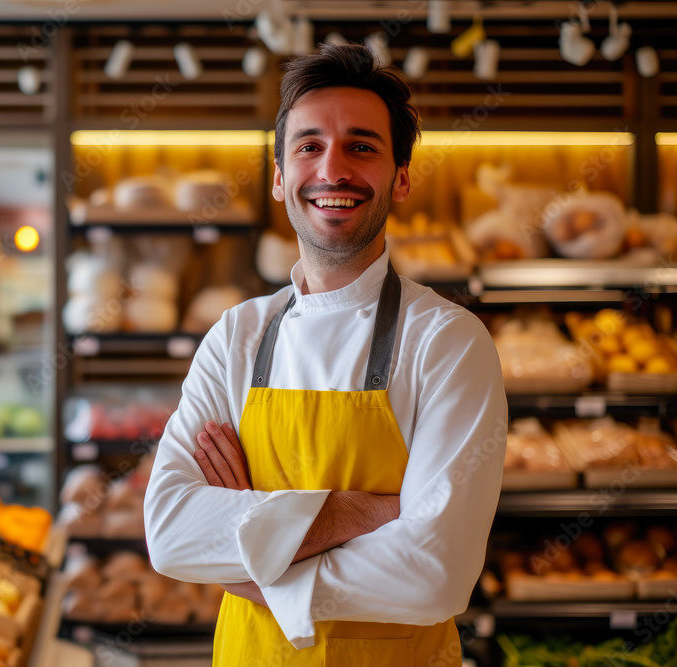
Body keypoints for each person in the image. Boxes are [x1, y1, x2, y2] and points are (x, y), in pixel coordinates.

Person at [143, 43, 507, 667]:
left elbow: (434, 574)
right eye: (309, 146)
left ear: (399, 178)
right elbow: (172, 532)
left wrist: (255, 565)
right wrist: (360, 512)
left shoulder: (448, 342)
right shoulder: (236, 336)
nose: (332, 169)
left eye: (362, 146)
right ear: (281, 178)